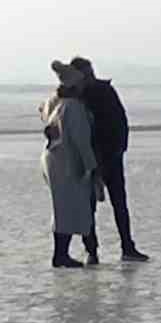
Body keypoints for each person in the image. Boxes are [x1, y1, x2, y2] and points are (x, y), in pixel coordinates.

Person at [69, 56, 148, 262]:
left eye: (90, 71)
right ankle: (92, 250)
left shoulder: (104, 91)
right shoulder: (74, 96)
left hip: (110, 154)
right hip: (88, 158)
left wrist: (120, 148)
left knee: (118, 203)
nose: (90, 76)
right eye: (86, 73)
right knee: (89, 207)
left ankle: (127, 247)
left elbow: (121, 120)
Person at [40, 61, 99, 268]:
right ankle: (61, 255)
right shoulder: (74, 108)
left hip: (53, 160)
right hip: (66, 163)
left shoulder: (56, 105)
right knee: (70, 209)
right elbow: (81, 141)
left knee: (62, 209)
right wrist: (91, 167)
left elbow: (43, 112)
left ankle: (61, 254)